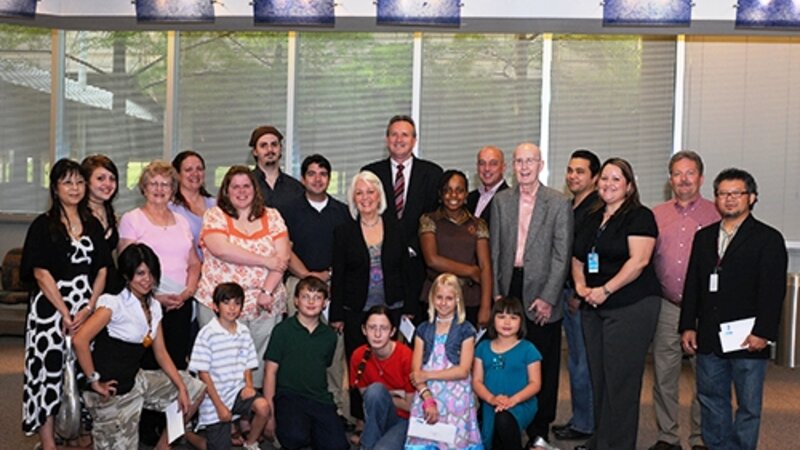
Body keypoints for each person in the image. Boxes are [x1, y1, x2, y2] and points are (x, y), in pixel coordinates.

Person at [679, 168, 787, 450]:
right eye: (722, 194)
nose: (729, 199)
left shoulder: (768, 238)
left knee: (749, 406)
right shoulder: (704, 238)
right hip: (711, 337)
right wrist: (688, 324)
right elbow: (693, 284)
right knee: (711, 400)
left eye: (736, 193)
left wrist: (763, 332)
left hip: (748, 338)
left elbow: (773, 292)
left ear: (751, 198)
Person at [72, 243, 205, 450]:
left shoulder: (153, 305)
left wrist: (180, 386)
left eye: (151, 273)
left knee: (193, 388)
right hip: (111, 392)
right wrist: (94, 381)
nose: (147, 279)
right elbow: (80, 340)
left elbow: (160, 353)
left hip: (136, 380)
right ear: (126, 275)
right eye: (140, 273)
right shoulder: (113, 303)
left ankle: (163, 447)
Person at [572, 158, 662, 450]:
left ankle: (620, 445)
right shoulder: (591, 216)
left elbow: (639, 260)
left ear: (629, 185)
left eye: (616, 179)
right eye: (605, 179)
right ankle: (602, 440)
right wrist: (581, 285)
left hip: (630, 306)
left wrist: (605, 290)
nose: (608, 184)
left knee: (621, 381)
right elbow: (577, 258)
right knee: (599, 378)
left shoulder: (639, 216)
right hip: (593, 306)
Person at [20, 158, 110, 450]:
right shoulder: (43, 225)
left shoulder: (93, 224)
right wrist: (64, 312)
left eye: (79, 182)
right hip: (50, 311)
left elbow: (103, 269)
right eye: (67, 182)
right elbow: (40, 273)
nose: (75, 188)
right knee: (48, 372)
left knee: (83, 370)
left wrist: (89, 307)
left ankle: (76, 430)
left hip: (86, 308)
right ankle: (48, 442)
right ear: (55, 188)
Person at [490, 142, 572, 448]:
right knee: (506, 355)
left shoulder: (558, 202)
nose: (524, 167)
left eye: (530, 161)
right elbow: (496, 249)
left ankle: (540, 429)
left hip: (543, 291)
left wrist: (550, 297)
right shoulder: (501, 201)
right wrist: (498, 292)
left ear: (541, 164)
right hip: (510, 286)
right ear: (512, 165)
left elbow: (561, 255)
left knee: (542, 362)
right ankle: (506, 418)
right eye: (519, 162)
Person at [195, 165, 290, 389]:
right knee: (220, 362)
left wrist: (267, 291)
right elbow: (221, 248)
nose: (241, 191)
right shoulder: (215, 215)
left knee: (257, 361)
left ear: (254, 189)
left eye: (246, 185)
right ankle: (222, 413)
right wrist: (265, 260)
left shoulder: (273, 216)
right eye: (235, 186)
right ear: (226, 191)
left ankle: (249, 410)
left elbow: (283, 256)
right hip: (219, 303)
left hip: (264, 305)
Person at [331, 170, 414, 426]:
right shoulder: (344, 231)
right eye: (359, 192)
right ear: (353, 198)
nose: (365, 197)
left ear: (380, 196)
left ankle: (396, 415)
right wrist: (336, 314)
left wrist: (409, 308)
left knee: (392, 363)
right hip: (356, 309)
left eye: (370, 191)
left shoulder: (397, 228)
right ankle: (360, 419)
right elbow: (339, 275)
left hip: (393, 307)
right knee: (359, 365)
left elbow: (407, 271)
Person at [649, 151, 719, 450]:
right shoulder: (656, 214)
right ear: (670, 179)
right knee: (664, 374)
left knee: (707, 375)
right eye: (677, 173)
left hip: (706, 308)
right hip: (668, 305)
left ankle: (701, 437)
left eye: (690, 173)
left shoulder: (717, 214)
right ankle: (668, 436)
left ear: (701, 178)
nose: (684, 179)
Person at [281, 154, 351, 420]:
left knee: (335, 347)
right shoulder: (289, 210)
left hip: (333, 283)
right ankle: (294, 406)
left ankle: (337, 410)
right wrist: (309, 276)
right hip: (299, 282)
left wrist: (328, 275)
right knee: (299, 345)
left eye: (323, 174)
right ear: (302, 179)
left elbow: (346, 252)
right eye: (312, 173)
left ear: (329, 179)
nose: (317, 179)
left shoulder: (342, 211)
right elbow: (285, 249)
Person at [119, 160, 201, 370]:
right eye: (153, 183)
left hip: (181, 304)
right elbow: (127, 267)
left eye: (165, 184)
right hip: (147, 304)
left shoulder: (182, 221)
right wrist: (153, 296)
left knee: (177, 364)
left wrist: (188, 292)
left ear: (173, 190)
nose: (159, 189)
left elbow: (194, 263)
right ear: (144, 188)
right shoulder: (132, 219)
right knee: (148, 365)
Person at [363, 115, 443, 314]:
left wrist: (412, 248)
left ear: (414, 140)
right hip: (379, 268)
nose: (399, 139)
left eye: (405, 135)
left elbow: (436, 217)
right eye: (394, 134)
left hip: (420, 266)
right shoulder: (371, 173)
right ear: (386, 139)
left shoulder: (433, 173)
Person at [263, 276, 350, 450]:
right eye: (305, 297)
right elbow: (270, 373)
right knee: (294, 438)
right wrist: (270, 416)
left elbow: (325, 366)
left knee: (338, 445)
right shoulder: (282, 331)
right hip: (289, 397)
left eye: (317, 297)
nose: (311, 302)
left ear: (325, 303)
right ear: (295, 301)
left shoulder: (329, 336)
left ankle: (316, 432)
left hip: (319, 399)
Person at [552, 149, 601, 442]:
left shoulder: (596, 210)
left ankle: (585, 424)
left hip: (580, 295)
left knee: (582, 363)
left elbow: (591, 256)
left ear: (594, 177)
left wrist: (580, 295)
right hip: (567, 290)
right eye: (570, 170)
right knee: (575, 361)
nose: (573, 176)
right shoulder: (570, 206)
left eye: (580, 171)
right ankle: (581, 417)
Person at [404, 273, 482, 450]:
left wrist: (428, 374)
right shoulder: (423, 330)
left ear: (458, 301)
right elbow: (416, 373)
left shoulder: (466, 330)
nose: (443, 303)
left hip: (456, 398)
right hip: (428, 395)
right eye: (439, 297)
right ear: (432, 298)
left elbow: (463, 370)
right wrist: (427, 398)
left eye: (449, 298)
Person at [188, 282, 267, 450]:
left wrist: (250, 385)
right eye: (226, 303)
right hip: (214, 398)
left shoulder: (243, 331)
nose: (232, 308)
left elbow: (248, 362)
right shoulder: (207, 334)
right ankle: (186, 434)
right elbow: (203, 374)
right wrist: (220, 406)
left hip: (237, 391)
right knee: (215, 447)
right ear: (215, 306)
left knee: (263, 407)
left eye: (237, 303)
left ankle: (250, 443)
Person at [419, 169, 492, 328]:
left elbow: (485, 266)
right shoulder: (429, 220)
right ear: (440, 194)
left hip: (470, 299)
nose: (453, 196)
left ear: (466, 195)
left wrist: (486, 307)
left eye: (459, 191)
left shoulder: (478, 224)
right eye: (448, 191)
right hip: (437, 299)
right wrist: (471, 271)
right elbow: (432, 260)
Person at [473, 297, 542, 450]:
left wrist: (513, 400)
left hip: (521, 403)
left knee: (503, 420)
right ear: (493, 319)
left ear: (521, 321)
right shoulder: (482, 348)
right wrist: (492, 399)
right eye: (501, 317)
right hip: (491, 403)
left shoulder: (529, 349)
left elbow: (535, 384)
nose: (507, 322)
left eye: (513, 317)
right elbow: (477, 381)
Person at [349, 305, 415, 450]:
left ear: (392, 331)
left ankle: (366, 445)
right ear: (364, 330)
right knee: (376, 391)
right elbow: (368, 398)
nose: (377, 334)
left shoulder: (406, 356)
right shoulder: (358, 356)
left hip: (404, 419)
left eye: (383, 328)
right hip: (375, 418)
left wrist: (384, 395)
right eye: (372, 328)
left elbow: (411, 406)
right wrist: (393, 393)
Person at [81, 154, 123, 295]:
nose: (108, 184)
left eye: (112, 178)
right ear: (86, 182)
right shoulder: (77, 215)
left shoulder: (112, 215)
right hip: (83, 288)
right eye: (100, 178)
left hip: (109, 290)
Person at [170, 150, 216, 260]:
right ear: (177, 174)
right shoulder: (171, 208)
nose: (195, 174)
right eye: (188, 170)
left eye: (199, 169)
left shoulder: (216, 205)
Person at [249, 125, 304, 210]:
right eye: (263, 145)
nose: (270, 149)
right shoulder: (246, 184)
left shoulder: (295, 188)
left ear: (280, 149)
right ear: (255, 152)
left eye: (274, 144)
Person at [466, 145, 508, 227]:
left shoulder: (510, 200)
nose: (487, 168)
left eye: (493, 164)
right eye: (482, 163)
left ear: (503, 167)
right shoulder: (469, 198)